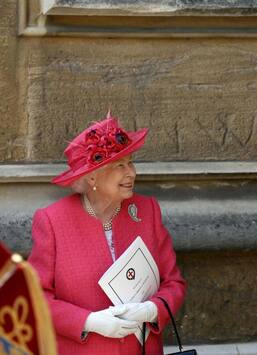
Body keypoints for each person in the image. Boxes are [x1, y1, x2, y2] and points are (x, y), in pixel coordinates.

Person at [28, 113, 186, 354]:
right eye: (119, 165)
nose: (131, 173)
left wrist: (152, 310)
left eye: (131, 162)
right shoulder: (52, 221)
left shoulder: (147, 211)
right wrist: (89, 322)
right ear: (92, 176)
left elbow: (173, 283)